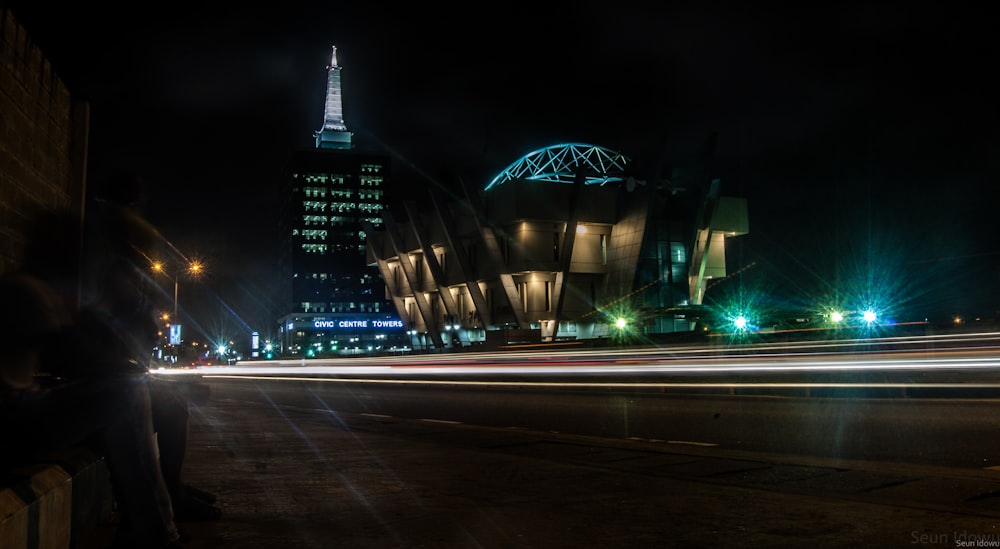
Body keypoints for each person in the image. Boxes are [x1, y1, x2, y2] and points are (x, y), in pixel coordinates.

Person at [0, 208, 182, 549]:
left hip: (19, 414)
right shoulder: (26, 291)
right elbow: (76, 358)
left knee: (138, 397)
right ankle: (154, 535)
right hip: (13, 423)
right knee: (127, 396)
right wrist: (131, 371)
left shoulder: (37, 291)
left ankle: (155, 522)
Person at [80, 170, 222, 522]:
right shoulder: (103, 296)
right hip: (92, 396)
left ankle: (173, 491)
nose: (144, 273)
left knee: (168, 402)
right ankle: (167, 502)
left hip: (101, 384)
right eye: (139, 264)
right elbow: (111, 367)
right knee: (166, 405)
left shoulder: (105, 281)